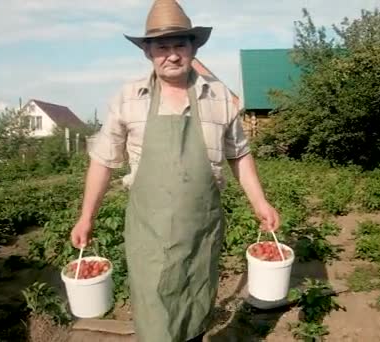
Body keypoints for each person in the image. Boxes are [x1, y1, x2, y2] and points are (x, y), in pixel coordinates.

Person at [70, 1, 280, 341]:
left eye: (179, 44)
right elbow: (103, 160)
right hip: (148, 231)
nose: (171, 54)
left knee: (196, 305)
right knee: (154, 314)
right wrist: (86, 217)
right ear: (148, 52)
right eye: (162, 47)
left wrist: (261, 204)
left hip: (201, 229)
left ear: (193, 47)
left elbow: (239, 155)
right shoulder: (129, 98)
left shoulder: (220, 97)